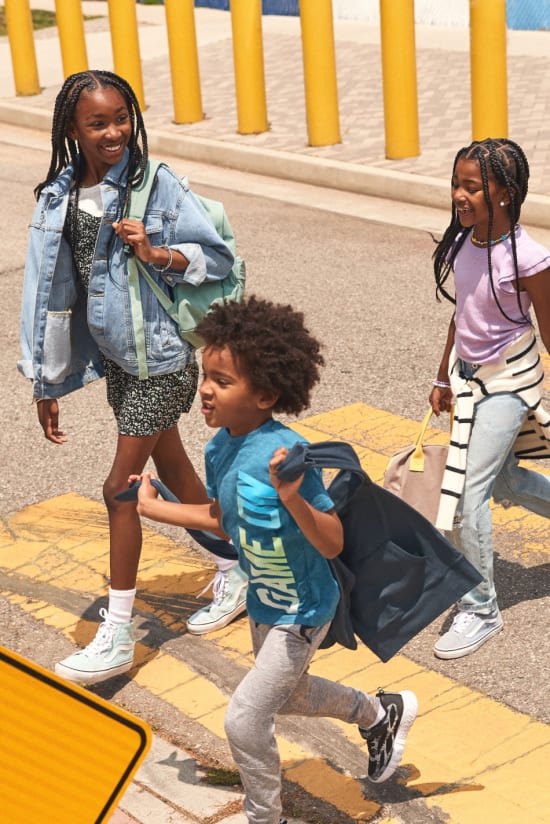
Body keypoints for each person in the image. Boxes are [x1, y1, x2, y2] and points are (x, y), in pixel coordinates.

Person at [132, 296, 418, 824]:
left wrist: (291, 497)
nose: (205, 390)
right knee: (289, 695)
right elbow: (224, 519)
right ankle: (380, 712)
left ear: (264, 394)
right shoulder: (220, 449)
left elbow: (331, 542)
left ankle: (267, 817)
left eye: (221, 380)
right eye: (205, 376)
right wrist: (156, 507)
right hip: (266, 602)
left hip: (304, 609)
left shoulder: (287, 453)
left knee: (244, 719)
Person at [18, 70, 248, 685]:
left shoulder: (156, 184)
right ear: (73, 128)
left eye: (122, 117)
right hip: (120, 361)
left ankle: (116, 634)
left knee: (120, 488)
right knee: (173, 468)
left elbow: (217, 257)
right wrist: (46, 381)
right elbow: (47, 293)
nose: (115, 130)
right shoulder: (59, 197)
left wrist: (158, 253)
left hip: (165, 360)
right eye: (99, 122)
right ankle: (234, 570)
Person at [430, 137, 550, 660]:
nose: (460, 194)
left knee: (464, 496)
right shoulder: (464, 241)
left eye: (472, 187)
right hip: (469, 380)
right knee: (503, 479)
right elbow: (462, 316)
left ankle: (481, 608)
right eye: (457, 183)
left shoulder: (528, 257)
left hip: (510, 383)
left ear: (506, 192)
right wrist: (441, 378)